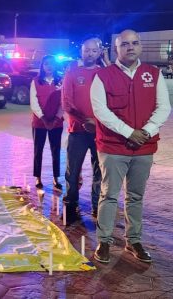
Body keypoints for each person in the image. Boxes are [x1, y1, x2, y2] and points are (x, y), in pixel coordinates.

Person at [90, 30, 171, 264]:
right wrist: (129, 132)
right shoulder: (103, 76)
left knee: (136, 196)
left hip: (144, 147)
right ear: (116, 49)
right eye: (124, 44)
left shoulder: (153, 74)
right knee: (109, 195)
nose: (130, 48)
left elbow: (164, 107)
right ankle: (104, 241)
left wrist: (146, 132)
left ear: (140, 46)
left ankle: (133, 240)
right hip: (113, 147)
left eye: (135, 43)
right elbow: (101, 111)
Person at [62, 38, 104, 223]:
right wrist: (84, 120)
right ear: (81, 51)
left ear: (100, 52)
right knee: (72, 171)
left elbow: (111, 102)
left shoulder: (104, 74)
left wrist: (96, 122)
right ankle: (71, 205)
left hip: (100, 132)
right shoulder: (72, 72)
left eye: (94, 51)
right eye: (87, 50)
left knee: (99, 171)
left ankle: (98, 206)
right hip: (77, 131)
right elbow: (66, 102)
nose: (90, 54)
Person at [30, 55, 64, 191]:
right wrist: (44, 119)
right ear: (42, 66)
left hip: (56, 122)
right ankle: (38, 178)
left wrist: (56, 119)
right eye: (46, 64)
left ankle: (56, 178)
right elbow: (34, 103)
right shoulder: (36, 81)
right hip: (39, 123)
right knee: (38, 150)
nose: (49, 67)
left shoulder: (61, 81)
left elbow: (63, 102)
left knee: (56, 151)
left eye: (52, 64)